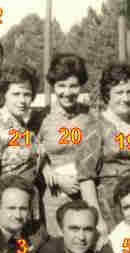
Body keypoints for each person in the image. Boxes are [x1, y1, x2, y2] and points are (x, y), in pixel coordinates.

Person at [78, 63, 130, 234]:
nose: (125, 98)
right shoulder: (95, 126)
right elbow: (85, 178)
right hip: (108, 206)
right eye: (119, 92)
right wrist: (97, 220)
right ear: (107, 94)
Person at [0, 63, 44, 223]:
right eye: (16, 94)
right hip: (9, 210)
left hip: (29, 205)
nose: (22, 100)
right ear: (4, 94)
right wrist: (4, 210)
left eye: (27, 94)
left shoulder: (25, 126)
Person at [38, 53, 94, 236]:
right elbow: (32, 153)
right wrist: (48, 171)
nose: (67, 92)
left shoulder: (90, 116)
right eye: (61, 86)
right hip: (55, 197)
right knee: (58, 246)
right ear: (53, 86)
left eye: (73, 86)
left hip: (86, 196)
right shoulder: (41, 118)